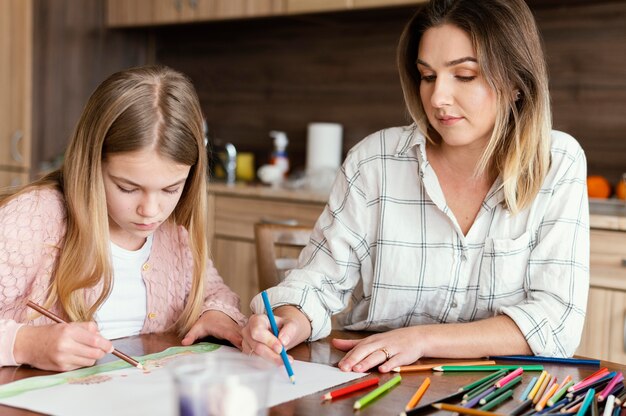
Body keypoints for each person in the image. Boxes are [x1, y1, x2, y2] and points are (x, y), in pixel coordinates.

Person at [242, 0, 589, 373]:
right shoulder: (374, 161)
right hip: (374, 382)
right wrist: (290, 318)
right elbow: (317, 282)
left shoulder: (558, 161)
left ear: (517, 83)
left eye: (465, 75)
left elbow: (557, 321)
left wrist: (421, 339)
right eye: (427, 76)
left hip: (498, 392)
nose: (438, 98)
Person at [0, 65, 246, 371]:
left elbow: (215, 294)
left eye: (171, 188)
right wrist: (24, 344)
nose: (151, 210)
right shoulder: (33, 219)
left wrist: (217, 314)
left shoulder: (175, 235)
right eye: (127, 188)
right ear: (91, 163)